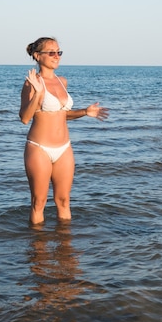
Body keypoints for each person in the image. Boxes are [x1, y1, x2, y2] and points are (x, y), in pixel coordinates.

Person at [20, 37, 109, 225]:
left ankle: (66, 249)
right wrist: (37, 94)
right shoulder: (32, 83)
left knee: (64, 201)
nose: (56, 56)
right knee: (39, 202)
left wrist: (85, 112)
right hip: (39, 148)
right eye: (51, 52)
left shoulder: (62, 81)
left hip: (64, 148)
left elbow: (62, 114)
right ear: (38, 56)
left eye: (59, 52)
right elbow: (25, 118)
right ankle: (38, 250)